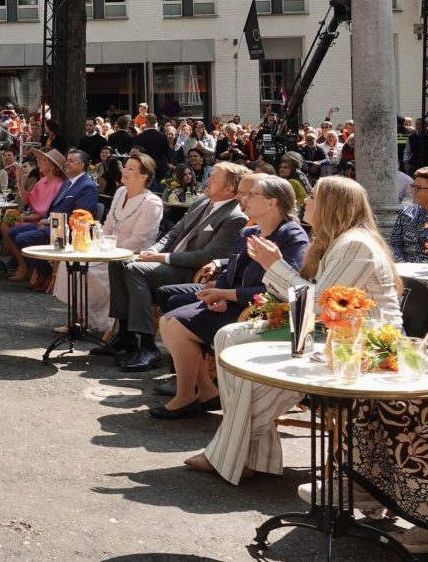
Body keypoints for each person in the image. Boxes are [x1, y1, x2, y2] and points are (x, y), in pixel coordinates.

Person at [185, 177, 403, 489]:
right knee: (229, 336)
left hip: (359, 346)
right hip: (328, 333)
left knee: (251, 354)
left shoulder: (355, 244)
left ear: (331, 205)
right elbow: (314, 303)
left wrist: (273, 264)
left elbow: (318, 303)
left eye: (313, 196)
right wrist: (272, 268)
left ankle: (231, 452)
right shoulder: (338, 240)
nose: (306, 201)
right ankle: (252, 457)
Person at [153, 176, 308, 419]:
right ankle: (202, 391)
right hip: (233, 303)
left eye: (253, 194)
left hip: (261, 311)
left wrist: (225, 294)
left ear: (272, 203)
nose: (245, 199)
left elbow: (282, 290)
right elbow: (230, 271)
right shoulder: (251, 231)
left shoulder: (291, 236)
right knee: (168, 320)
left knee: (176, 324)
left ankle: (188, 396)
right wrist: (220, 295)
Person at [106, 162, 250, 371]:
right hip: (170, 261)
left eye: (214, 177)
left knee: (134, 269)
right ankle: (125, 335)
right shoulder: (202, 201)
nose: (207, 179)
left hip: (191, 271)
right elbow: (174, 233)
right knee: (119, 263)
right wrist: (154, 251)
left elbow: (207, 256)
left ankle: (148, 347)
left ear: (229, 189)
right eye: (209, 175)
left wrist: (163, 258)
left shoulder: (234, 217)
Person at [53, 153, 163, 331]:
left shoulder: (152, 202)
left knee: (90, 271)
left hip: (130, 256)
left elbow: (140, 240)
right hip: (106, 249)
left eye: (131, 169)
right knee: (72, 263)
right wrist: (96, 245)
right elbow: (107, 226)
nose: (125, 171)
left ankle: (101, 321)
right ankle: (80, 317)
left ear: (144, 176)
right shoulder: (120, 192)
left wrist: (109, 252)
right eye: (125, 167)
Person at [9, 150, 99, 285]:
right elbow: (53, 207)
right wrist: (44, 220)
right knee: (13, 232)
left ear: (81, 165)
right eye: (67, 160)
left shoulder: (87, 186)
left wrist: (49, 221)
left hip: (67, 231)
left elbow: (81, 216)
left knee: (22, 238)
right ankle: (42, 270)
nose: (66, 163)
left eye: (71, 161)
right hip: (53, 224)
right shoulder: (67, 183)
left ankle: (46, 272)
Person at [388, 166, 428, 263]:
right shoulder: (406, 214)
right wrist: (402, 265)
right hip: (408, 273)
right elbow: (394, 244)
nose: (412, 191)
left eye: (418, 188)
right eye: (413, 187)